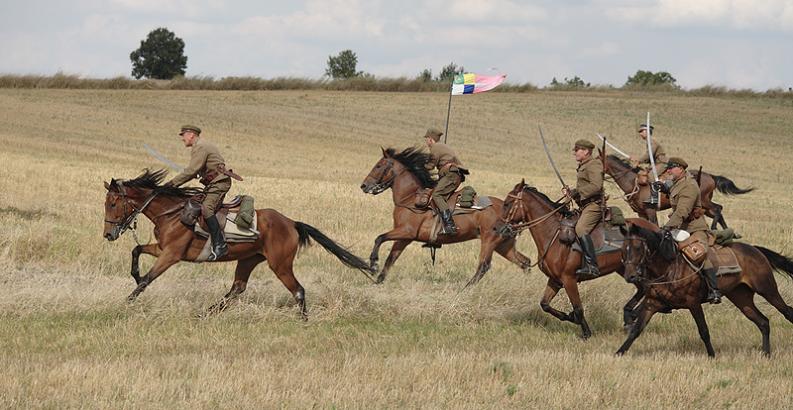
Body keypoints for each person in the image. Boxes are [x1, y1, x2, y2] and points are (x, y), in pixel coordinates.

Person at [166, 125, 231, 261]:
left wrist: (171, 184)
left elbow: (191, 170)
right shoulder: (201, 146)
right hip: (213, 183)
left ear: (191, 135)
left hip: (219, 183)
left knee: (207, 208)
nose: (182, 139)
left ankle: (220, 244)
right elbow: (196, 170)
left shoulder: (200, 146)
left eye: (183, 135)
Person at [662, 157, 721, 304]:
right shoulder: (678, 183)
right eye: (668, 168)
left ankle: (714, 290)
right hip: (680, 227)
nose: (668, 170)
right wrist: (662, 187)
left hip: (695, 228)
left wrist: (667, 227)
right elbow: (672, 189)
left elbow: (682, 211)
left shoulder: (689, 186)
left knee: (699, 253)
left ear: (681, 169)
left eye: (672, 168)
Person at [563, 139, 603, 277]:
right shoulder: (584, 165)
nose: (574, 153)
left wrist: (577, 192)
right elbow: (584, 187)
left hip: (594, 206)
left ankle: (593, 266)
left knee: (581, 229)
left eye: (577, 150)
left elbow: (596, 186)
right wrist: (572, 192)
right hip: (584, 205)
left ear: (586, 151)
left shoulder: (594, 164)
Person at [424, 128, 469, 235]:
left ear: (430, 139)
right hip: (450, 175)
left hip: (451, 175)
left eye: (426, 139)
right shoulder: (441, 146)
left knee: (437, 195)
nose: (426, 142)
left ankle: (450, 225)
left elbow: (430, 166)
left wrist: (417, 167)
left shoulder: (435, 147)